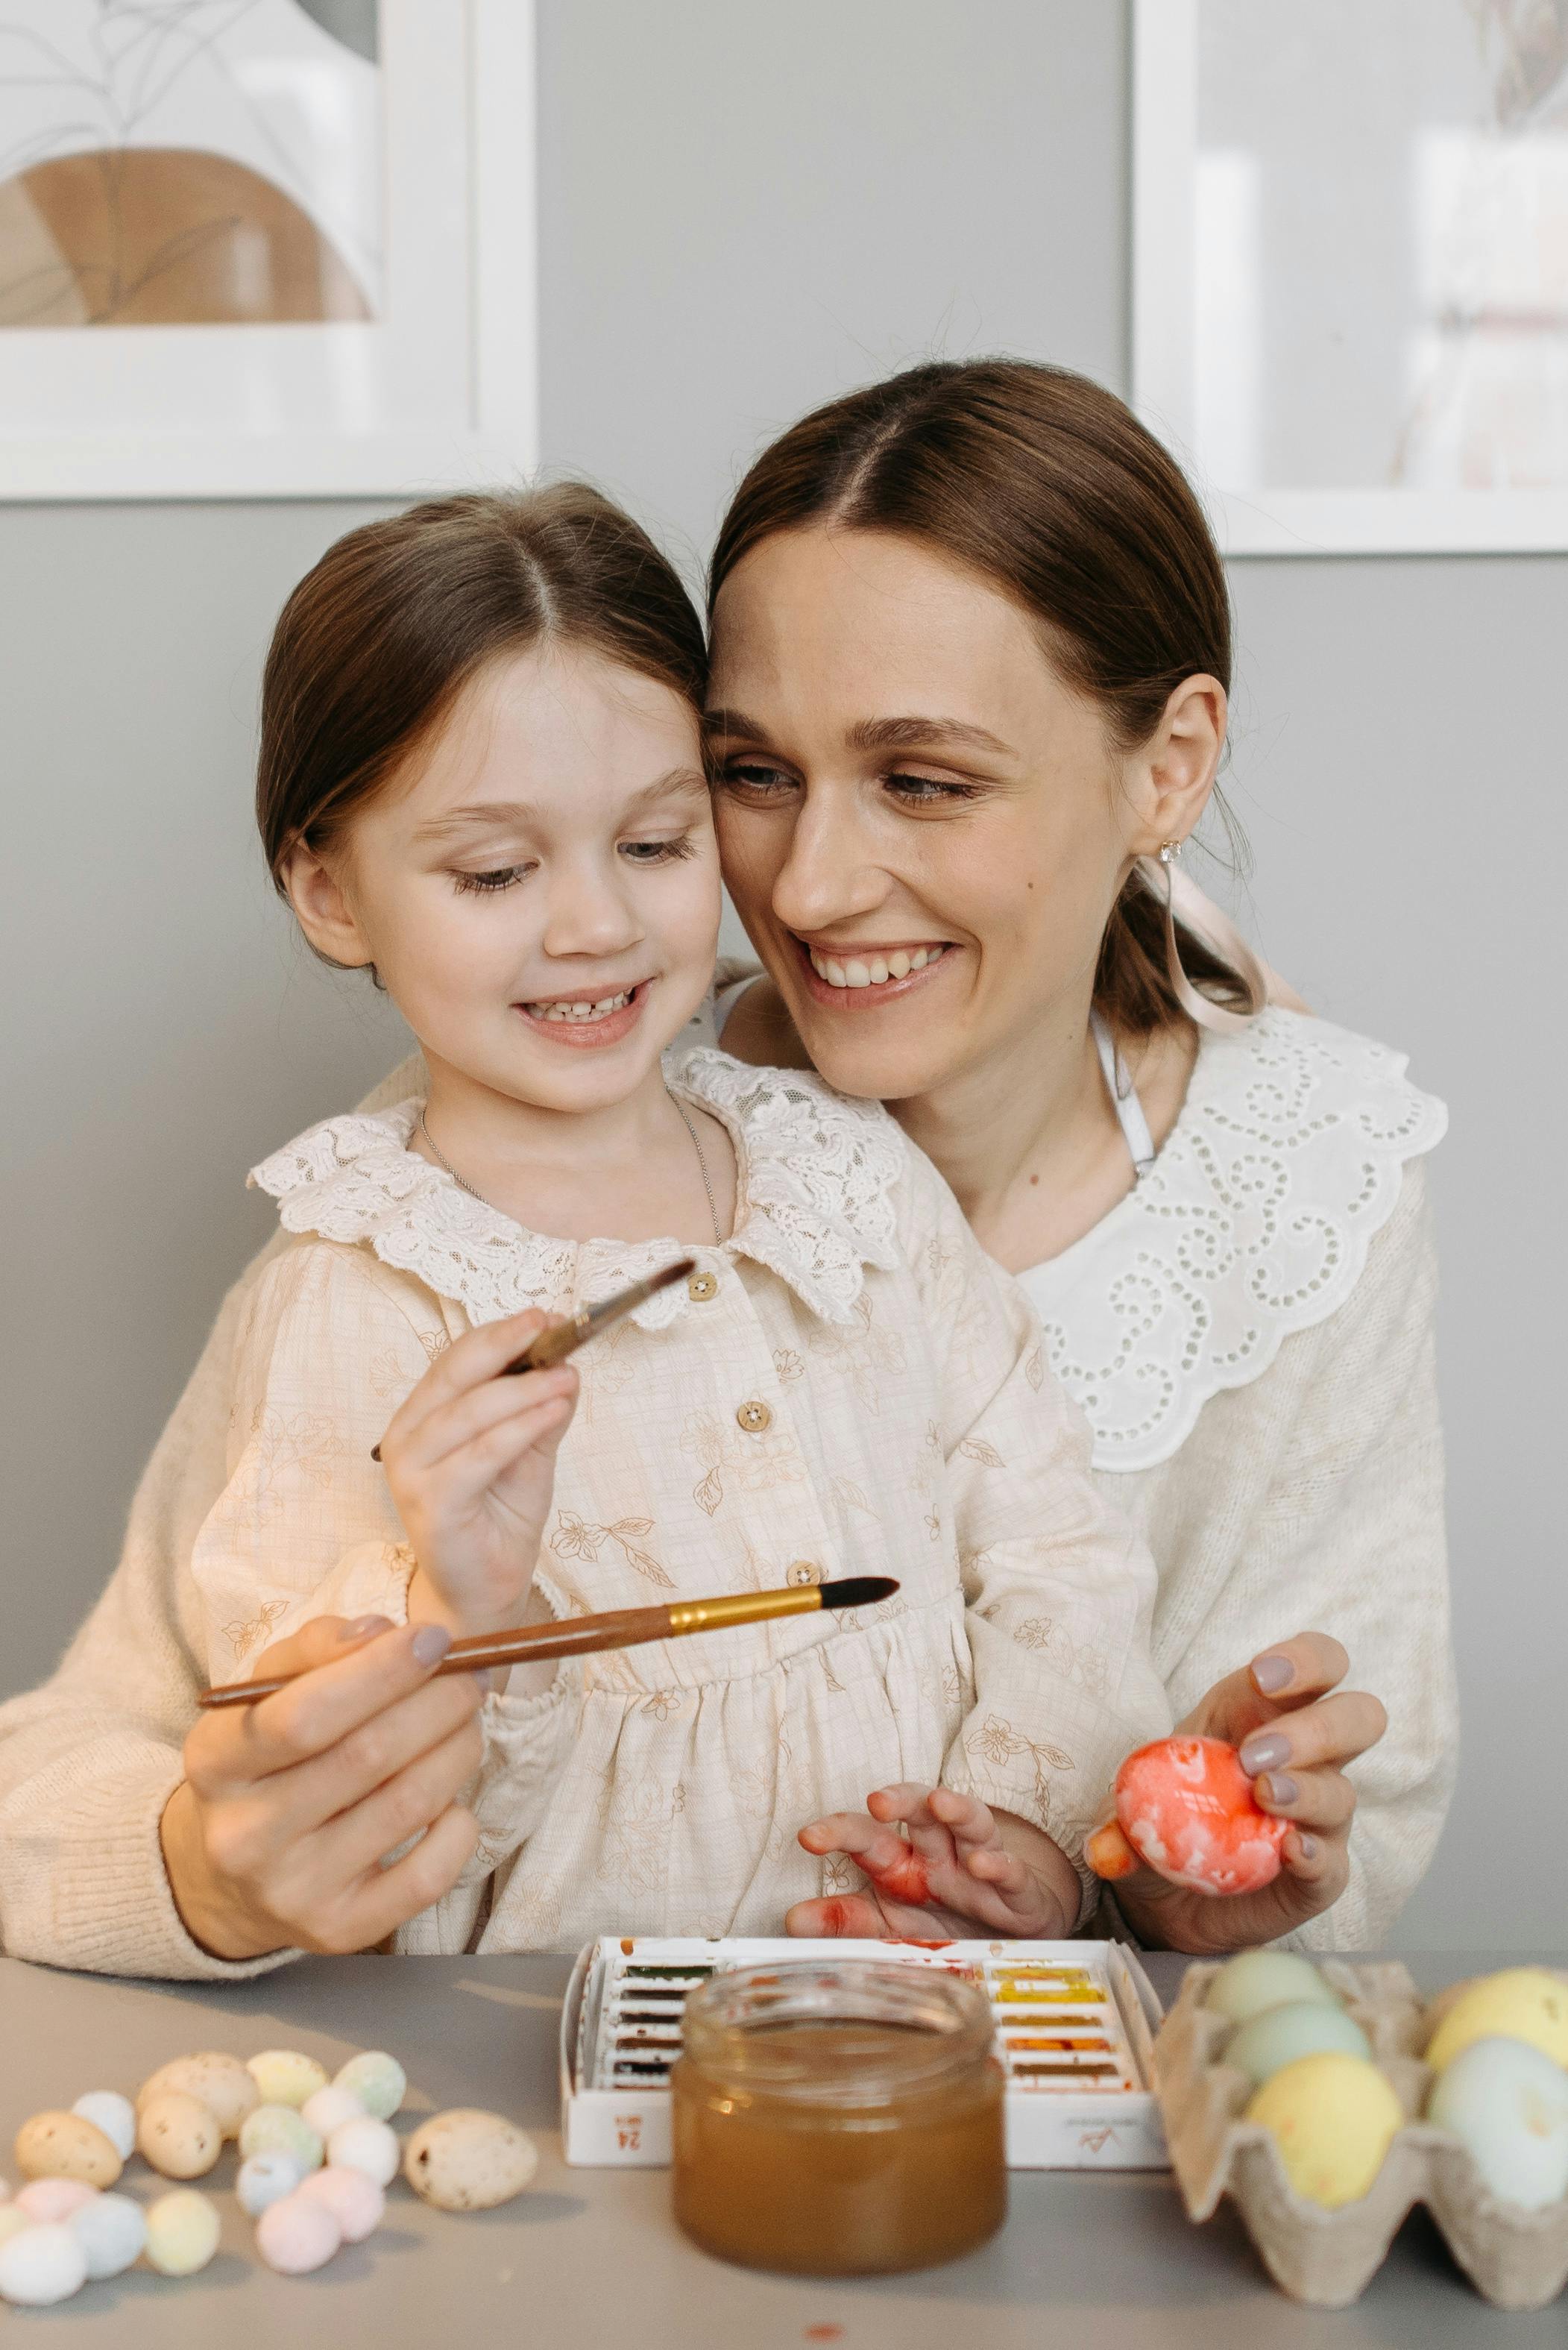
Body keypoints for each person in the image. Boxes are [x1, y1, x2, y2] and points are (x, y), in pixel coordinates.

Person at [0, 484, 1177, 1976]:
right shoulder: (348, 1293)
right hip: (527, 2074)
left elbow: (1057, 1549)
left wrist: (1019, 1825)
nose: (592, 928)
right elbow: (346, 1839)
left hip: (911, 2022)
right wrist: (451, 1604)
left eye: (656, 843)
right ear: (326, 887)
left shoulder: (847, 1179)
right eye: (495, 871)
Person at [692, 358, 1454, 1953]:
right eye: (755, 773)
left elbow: (1351, 1845)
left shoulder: (1297, 1181)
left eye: (922, 780)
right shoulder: (566, 1126)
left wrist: (1196, 1895)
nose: (812, 884)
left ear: (1164, 766)